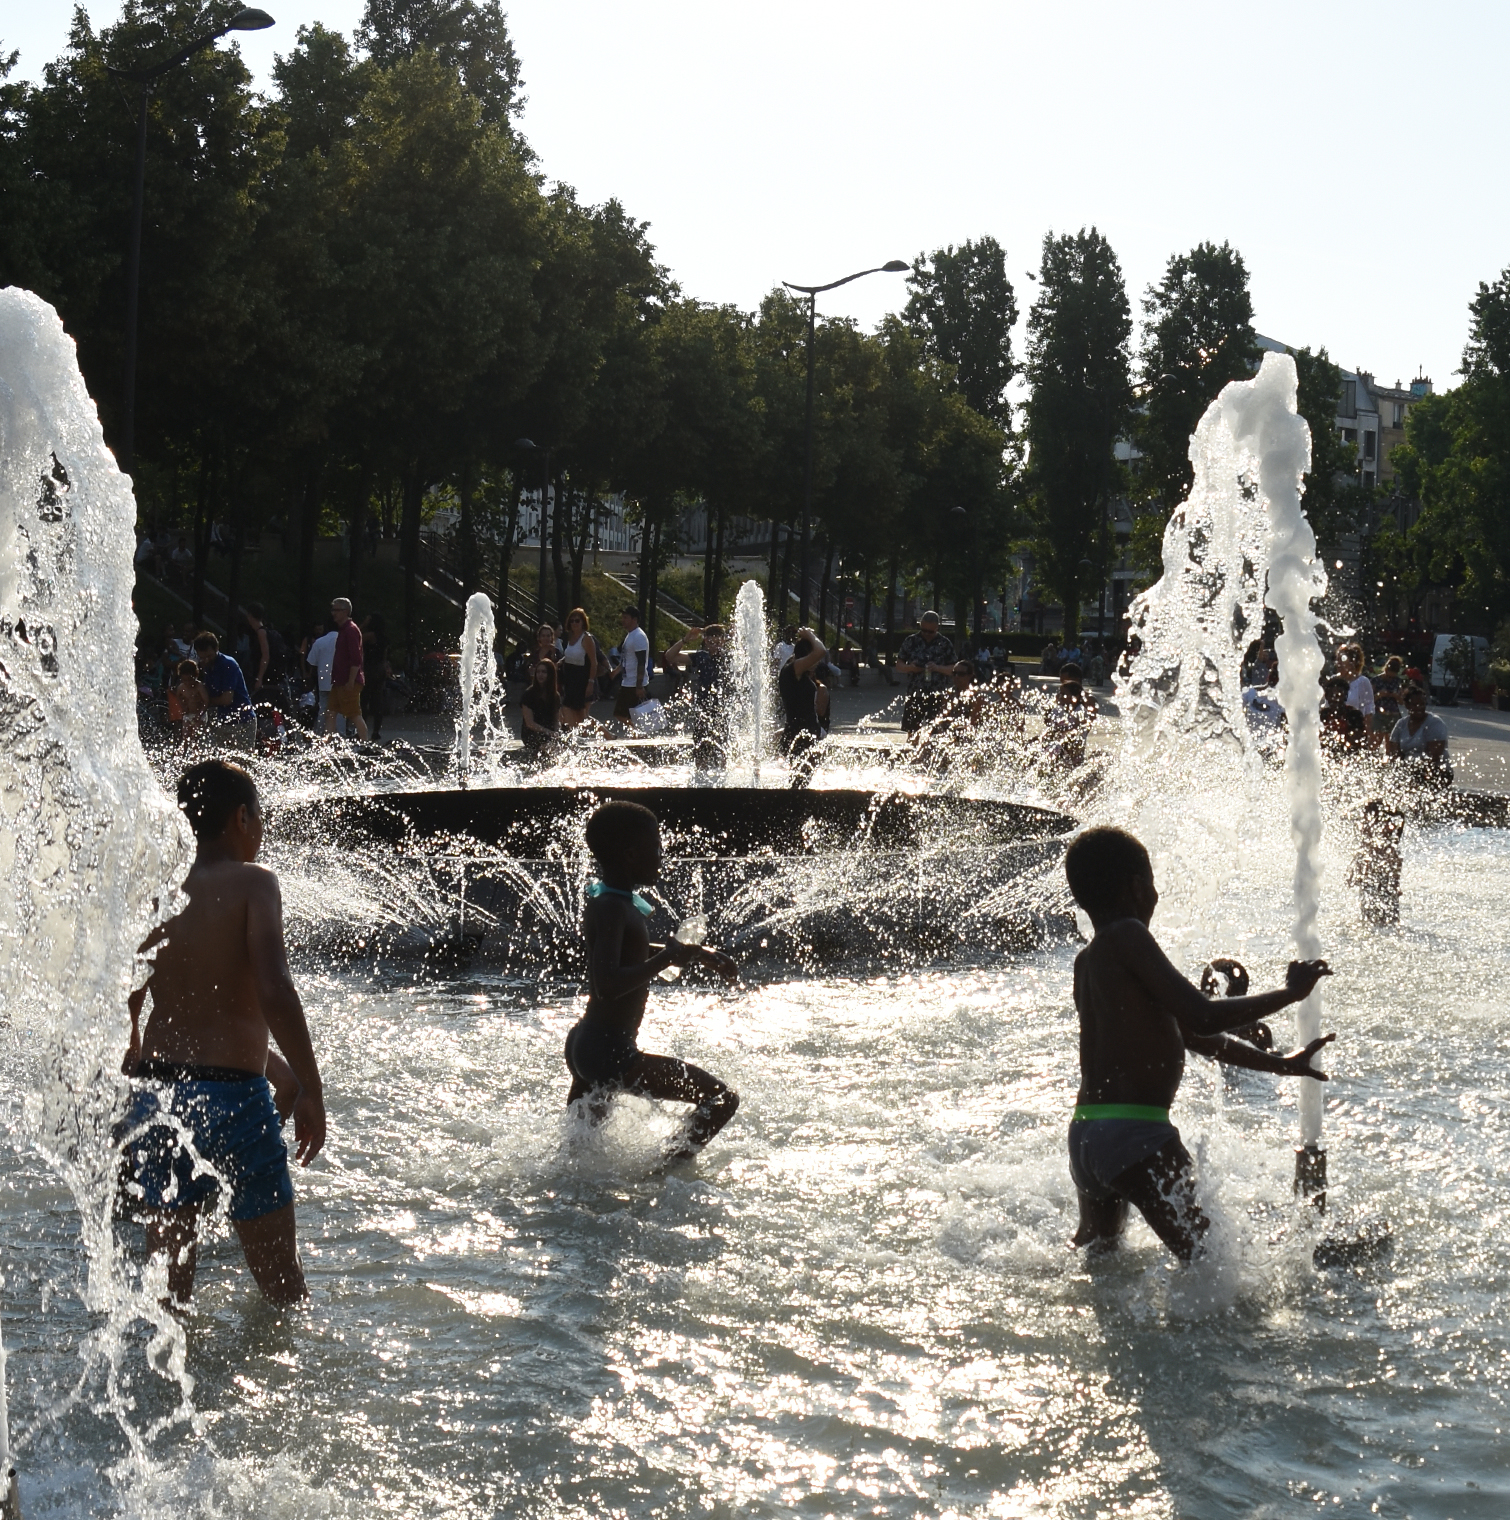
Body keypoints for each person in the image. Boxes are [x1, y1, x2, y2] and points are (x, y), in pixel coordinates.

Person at [1063, 825, 1333, 1261]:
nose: (1156, 896)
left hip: (1088, 1134)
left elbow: (1196, 1037)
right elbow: (1202, 1014)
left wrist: (1280, 1063)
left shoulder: (1088, 960)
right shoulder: (1129, 936)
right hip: (1136, 1134)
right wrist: (1291, 994)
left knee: (1099, 1260)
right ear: (1136, 886)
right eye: (1151, 884)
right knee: (1216, 1264)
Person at [119, 760, 326, 1305]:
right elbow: (276, 990)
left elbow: (127, 989)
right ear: (241, 818)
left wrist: (131, 1046)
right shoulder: (255, 884)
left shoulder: (157, 889)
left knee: (168, 1297)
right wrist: (311, 1087)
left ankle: (162, 1386)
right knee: (284, 1289)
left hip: (160, 1097)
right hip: (235, 1099)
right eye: (259, 818)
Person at [565, 801, 740, 1161]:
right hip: (611, 1052)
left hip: (587, 1043)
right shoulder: (614, 907)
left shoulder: (609, 900)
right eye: (657, 848)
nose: (662, 856)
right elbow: (608, 982)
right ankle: (663, 1175)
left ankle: (570, 1200)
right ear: (631, 855)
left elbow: (630, 950)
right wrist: (668, 957)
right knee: (722, 1098)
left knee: (581, 1158)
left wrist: (697, 954)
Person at [663, 624, 734, 770]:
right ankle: (700, 778)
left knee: (722, 749)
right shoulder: (701, 656)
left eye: (718, 640)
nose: (714, 644)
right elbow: (670, 656)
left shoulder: (729, 656)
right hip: (703, 707)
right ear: (705, 641)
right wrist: (685, 639)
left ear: (723, 640)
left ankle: (723, 779)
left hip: (722, 708)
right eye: (710, 641)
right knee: (700, 747)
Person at [192, 632, 257, 751]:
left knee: (242, 765)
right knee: (223, 766)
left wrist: (206, 701)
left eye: (209, 656)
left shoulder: (228, 664)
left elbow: (227, 699)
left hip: (242, 721)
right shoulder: (207, 666)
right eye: (202, 657)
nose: (206, 660)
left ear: (217, 648)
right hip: (223, 721)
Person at [778, 628, 828, 781]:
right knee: (800, 780)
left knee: (802, 779)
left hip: (805, 734)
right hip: (798, 736)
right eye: (812, 658)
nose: (817, 662)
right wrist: (811, 636)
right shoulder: (792, 669)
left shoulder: (799, 673)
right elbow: (821, 651)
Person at [896, 611, 956, 737]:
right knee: (912, 732)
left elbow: (954, 668)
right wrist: (910, 668)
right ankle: (912, 753)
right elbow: (899, 665)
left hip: (937, 693)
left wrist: (938, 668)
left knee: (935, 733)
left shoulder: (945, 643)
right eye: (924, 630)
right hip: (915, 692)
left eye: (931, 632)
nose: (927, 634)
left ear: (937, 628)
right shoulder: (911, 641)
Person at [1347, 798, 1404, 926]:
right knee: (1389, 924)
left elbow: (1350, 880)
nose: (1362, 822)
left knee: (1372, 923)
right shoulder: (1389, 838)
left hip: (1375, 893)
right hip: (1386, 893)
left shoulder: (1371, 844)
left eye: (1365, 816)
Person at [1386, 681, 1451, 788]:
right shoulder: (1401, 724)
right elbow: (1394, 754)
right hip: (1409, 770)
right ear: (1407, 705)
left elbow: (1434, 757)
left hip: (1436, 771)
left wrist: (1412, 770)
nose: (1419, 708)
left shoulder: (1435, 723)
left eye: (1422, 704)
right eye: (1415, 705)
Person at [325, 598, 368, 741]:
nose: (333, 614)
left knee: (354, 714)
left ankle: (365, 743)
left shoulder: (350, 630)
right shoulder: (343, 630)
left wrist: (351, 681)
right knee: (331, 711)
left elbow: (356, 658)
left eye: (336, 610)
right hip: (339, 681)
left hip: (349, 681)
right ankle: (327, 744)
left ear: (345, 611)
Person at [558, 608, 601, 728]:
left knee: (579, 713)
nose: (574, 624)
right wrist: (560, 663)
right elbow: (570, 655)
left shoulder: (586, 638)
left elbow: (594, 662)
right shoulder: (570, 638)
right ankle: (604, 734)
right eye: (572, 621)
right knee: (575, 712)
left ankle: (581, 736)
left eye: (577, 621)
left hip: (582, 678)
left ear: (583, 622)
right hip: (570, 678)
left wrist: (591, 682)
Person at [613, 606, 651, 726]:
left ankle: (639, 733)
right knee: (628, 714)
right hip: (628, 681)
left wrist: (639, 686)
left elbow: (641, 662)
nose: (623, 620)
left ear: (634, 619)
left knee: (623, 714)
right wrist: (615, 671)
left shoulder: (638, 636)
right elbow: (626, 659)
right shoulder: (630, 636)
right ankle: (638, 733)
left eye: (626, 618)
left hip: (634, 683)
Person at [521, 656, 561, 762]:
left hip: (549, 729)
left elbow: (556, 720)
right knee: (547, 742)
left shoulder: (555, 696)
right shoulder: (528, 694)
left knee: (566, 737)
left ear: (550, 675)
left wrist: (557, 731)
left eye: (544, 672)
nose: (540, 675)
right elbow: (529, 723)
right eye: (538, 672)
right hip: (532, 732)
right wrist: (549, 732)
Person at [361, 611, 392, 742]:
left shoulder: (370, 635)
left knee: (364, 700)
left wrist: (363, 624)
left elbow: (355, 637)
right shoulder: (384, 638)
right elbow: (384, 656)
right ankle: (376, 731)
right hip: (379, 669)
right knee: (377, 700)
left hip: (369, 669)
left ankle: (362, 729)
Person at [1337, 642, 1377, 741]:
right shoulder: (1334, 681)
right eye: (1337, 659)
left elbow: (1369, 711)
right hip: (1335, 731)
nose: (1338, 663)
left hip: (1354, 733)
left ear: (1353, 662)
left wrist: (1369, 736)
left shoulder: (1362, 682)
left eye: (1342, 660)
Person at [165, 658, 209, 740]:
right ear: (181, 678)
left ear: (196, 676)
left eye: (190, 680)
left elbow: (206, 701)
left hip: (199, 714)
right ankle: (183, 752)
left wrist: (200, 714)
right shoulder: (181, 687)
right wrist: (183, 706)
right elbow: (178, 697)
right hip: (188, 714)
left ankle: (195, 751)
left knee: (195, 737)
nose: (188, 683)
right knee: (185, 737)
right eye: (185, 680)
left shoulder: (199, 687)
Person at [305, 622, 337, 727]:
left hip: (324, 681)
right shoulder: (343, 640)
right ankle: (340, 733)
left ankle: (320, 731)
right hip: (340, 681)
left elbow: (311, 661)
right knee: (340, 708)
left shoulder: (319, 642)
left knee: (323, 707)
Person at [1373, 654, 1405, 727]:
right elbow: (1368, 700)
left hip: (1393, 714)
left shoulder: (1397, 681)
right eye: (1388, 676)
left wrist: (1396, 696)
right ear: (1386, 669)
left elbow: (1402, 702)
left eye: (1392, 677)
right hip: (1378, 714)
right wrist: (1379, 695)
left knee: (1391, 737)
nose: (1390, 679)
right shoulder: (1375, 680)